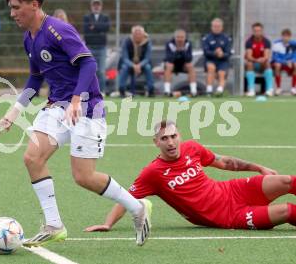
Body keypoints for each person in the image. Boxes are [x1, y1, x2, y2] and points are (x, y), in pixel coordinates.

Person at [0, 0, 151, 248]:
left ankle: (137, 207)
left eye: (16, 7)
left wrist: (76, 100)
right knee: (32, 158)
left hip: (88, 107)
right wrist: (14, 111)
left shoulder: (58, 30)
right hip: (58, 106)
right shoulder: (29, 39)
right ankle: (54, 225)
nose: (12, 14)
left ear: (34, 5)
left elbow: (89, 64)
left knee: (83, 177)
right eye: (10, 8)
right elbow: (35, 79)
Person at [86, 120, 296, 233]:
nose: (170, 142)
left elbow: (224, 162)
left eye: (174, 136)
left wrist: (258, 167)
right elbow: (126, 198)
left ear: (180, 136)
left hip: (234, 190)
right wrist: (108, 223)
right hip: (229, 217)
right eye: (164, 138)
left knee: (288, 181)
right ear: (156, 142)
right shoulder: (152, 173)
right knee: (287, 211)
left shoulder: (192, 148)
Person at [83, 0, 110, 93]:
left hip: (102, 47)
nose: (96, 6)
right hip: (90, 47)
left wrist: (94, 26)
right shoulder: (86, 17)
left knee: (101, 71)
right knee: (90, 70)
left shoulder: (105, 17)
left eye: (98, 5)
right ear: (91, 6)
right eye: (94, 4)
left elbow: (106, 28)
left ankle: (101, 91)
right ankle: (89, 91)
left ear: (101, 6)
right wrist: (100, 28)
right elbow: (86, 30)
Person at [118, 25, 154, 97]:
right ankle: (121, 90)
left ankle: (151, 90)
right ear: (132, 34)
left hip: (143, 64)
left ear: (143, 34)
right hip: (129, 64)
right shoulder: (127, 41)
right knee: (124, 67)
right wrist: (133, 66)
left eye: (139, 33)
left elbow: (147, 58)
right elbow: (125, 58)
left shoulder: (148, 42)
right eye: (136, 33)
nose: (137, 35)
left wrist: (139, 65)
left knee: (148, 67)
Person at [202, 18, 232, 96]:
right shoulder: (206, 38)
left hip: (222, 61)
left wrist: (222, 54)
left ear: (222, 28)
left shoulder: (227, 38)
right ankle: (209, 91)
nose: (216, 28)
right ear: (211, 27)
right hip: (210, 59)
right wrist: (215, 53)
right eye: (215, 26)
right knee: (211, 68)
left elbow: (228, 53)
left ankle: (220, 91)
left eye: (218, 26)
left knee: (221, 73)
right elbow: (206, 52)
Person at [163, 29, 197, 96]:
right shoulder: (169, 44)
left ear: (185, 37)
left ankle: (193, 91)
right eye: (178, 37)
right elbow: (168, 58)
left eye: (182, 37)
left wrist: (183, 51)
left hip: (183, 65)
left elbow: (189, 58)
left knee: (190, 66)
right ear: (175, 37)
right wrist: (176, 51)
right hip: (173, 65)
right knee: (168, 65)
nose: (180, 39)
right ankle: (167, 91)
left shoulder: (188, 44)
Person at [245, 22, 273, 97]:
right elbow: (249, 56)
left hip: (262, 64)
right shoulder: (249, 41)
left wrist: (263, 59)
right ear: (253, 31)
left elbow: (266, 56)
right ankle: (251, 90)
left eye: (259, 31)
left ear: (262, 31)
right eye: (255, 31)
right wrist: (257, 60)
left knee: (267, 63)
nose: (257, 32)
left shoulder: (266, 41)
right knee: (249, 63)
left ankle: (269, 90)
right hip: (254, 64)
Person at [271, 28, 296, 96]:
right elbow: (274, 57)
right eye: (284, 36)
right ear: (281, 36)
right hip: (280, 64)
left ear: (290, 37)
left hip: (290, 64)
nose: (285, 38)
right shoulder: (276, 44)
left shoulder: (294, 44)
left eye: (287, 36)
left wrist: (292, 61)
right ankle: (278, 88)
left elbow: (295, 55)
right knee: (277, 65)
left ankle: (293, 88)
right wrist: (285, 62)